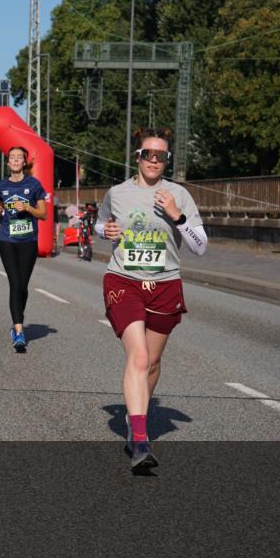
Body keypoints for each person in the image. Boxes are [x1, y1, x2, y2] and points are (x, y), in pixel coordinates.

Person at [98, 127, 207, 470]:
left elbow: (201, 247)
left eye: (161, 156)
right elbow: (101, 225)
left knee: (153, 364)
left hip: (165, 285)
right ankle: (141, 442)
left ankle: (136, 416)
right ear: (138, 157)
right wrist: (107, 231)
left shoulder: (179, 195)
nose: (154, 161)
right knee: (140, 357)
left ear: (166, 160)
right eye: (148, 154)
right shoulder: (117, 193)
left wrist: (177, 215)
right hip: (124, 279)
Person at [0, 146, 47, 353]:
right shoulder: (2, 185)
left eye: (19, 158)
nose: (15, 160)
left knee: (23, 286)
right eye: (12, 157)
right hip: (7, 241)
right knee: (15, 284)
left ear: (24, 162)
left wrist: (29, 208)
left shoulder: (33, 184)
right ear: (8, 162)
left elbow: (43, 215)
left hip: (28, 241)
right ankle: (19, 331)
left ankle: (18, 322)